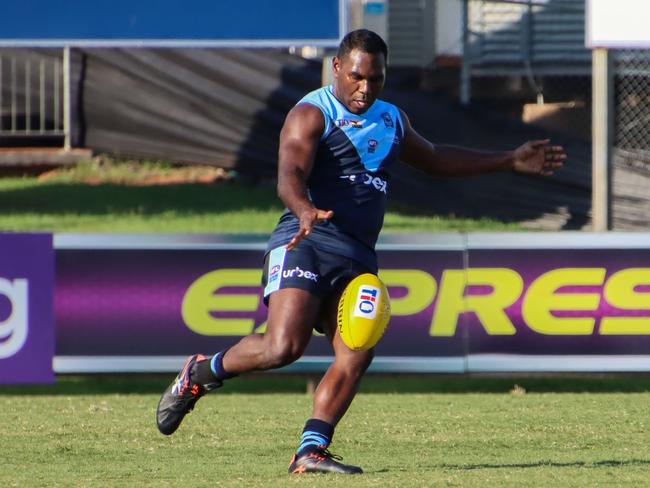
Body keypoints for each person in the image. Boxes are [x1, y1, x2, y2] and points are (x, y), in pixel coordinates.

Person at [156, 29, 566, 475]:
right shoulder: (312, 113)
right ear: (336, 68)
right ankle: (199, 373)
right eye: (356, 77)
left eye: (376, 79)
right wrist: (305, 208)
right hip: (305, 242)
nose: (365, 88)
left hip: (356, 257)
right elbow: (289, 173)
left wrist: (508, 159)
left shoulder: (391, 119)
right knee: (282, 347)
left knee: (357, 349)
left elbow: (434, 159)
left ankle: (310, 451)